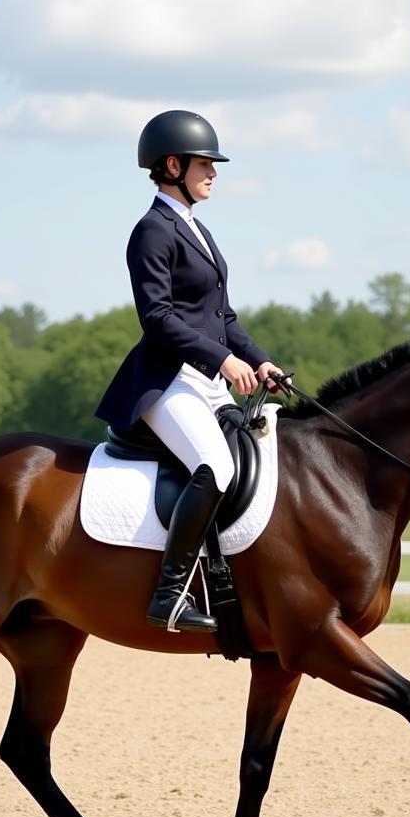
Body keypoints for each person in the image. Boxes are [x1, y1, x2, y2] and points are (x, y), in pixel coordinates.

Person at [96, 109, 284, 634]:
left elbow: (222, 316)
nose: (214, 173)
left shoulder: (197, 230)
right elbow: (157, 319)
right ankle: (170, 594)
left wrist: (258, 359)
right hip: (168, 380)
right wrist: (221, 359)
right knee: (216, 468)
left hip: (206, 381)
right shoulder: (152, 231)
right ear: (172, 165)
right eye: (205, 163)